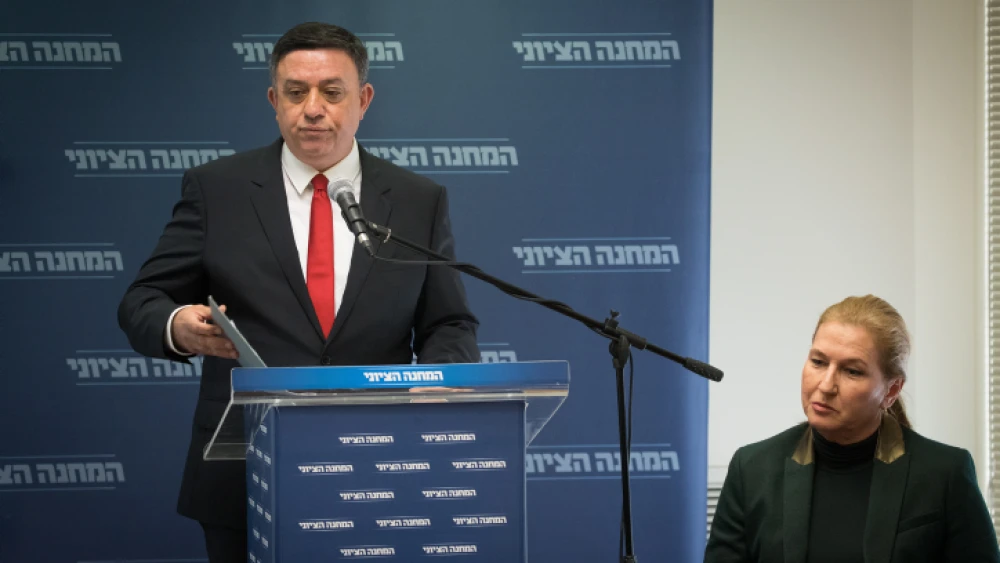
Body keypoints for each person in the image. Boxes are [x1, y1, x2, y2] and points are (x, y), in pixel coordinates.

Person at [117, 21, 480, 563]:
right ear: (273, 99)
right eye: (296, 92)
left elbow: (448, 323)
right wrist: (178, 326)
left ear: (363, 99)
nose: (313, 108)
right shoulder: (217, 189)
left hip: (379, 469)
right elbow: (141, 301)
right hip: (245, 475)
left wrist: (437, 379)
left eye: (332, 92)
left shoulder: (415, 199)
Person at [704, 295, 999, 563]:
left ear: (891, 390)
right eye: (818, 362)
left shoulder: (945, 473)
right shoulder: (752, 469)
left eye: (852, 371)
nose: (826, 385)